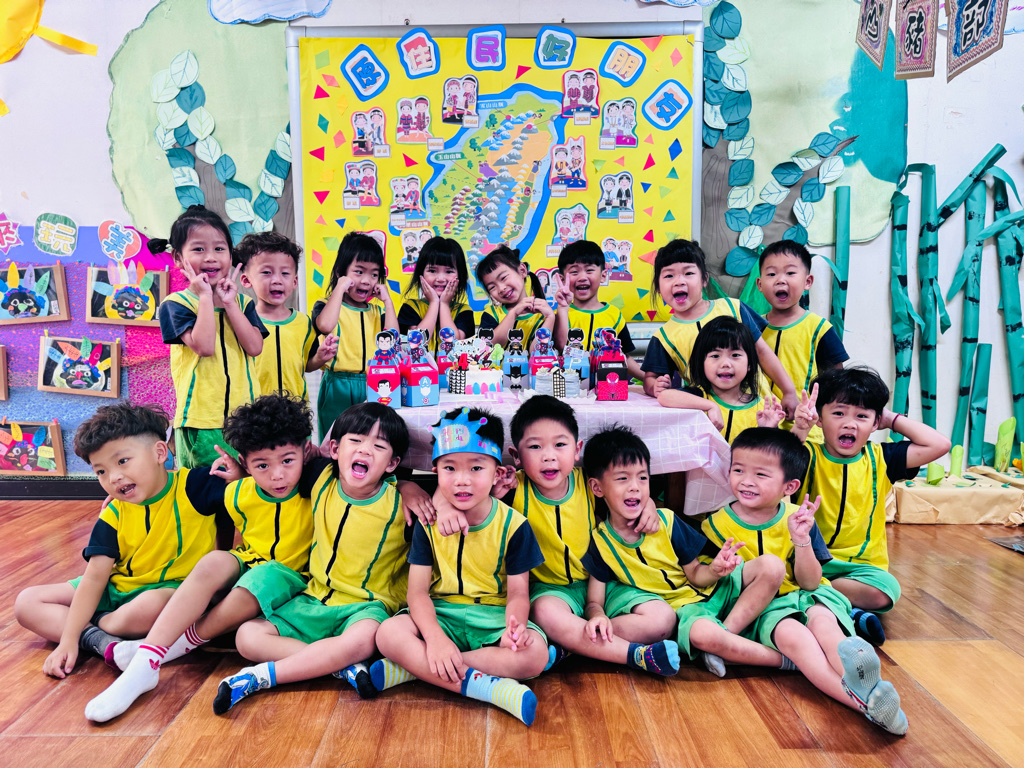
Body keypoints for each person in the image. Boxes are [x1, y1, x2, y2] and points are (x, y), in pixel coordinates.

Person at [83, 395, 316, 722]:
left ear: (306, 451)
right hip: (252, 562)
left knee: (261, 579)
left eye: (288, 461)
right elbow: (221, 516)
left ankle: (163, 653)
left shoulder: (319, 485)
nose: (277, 475)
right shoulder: (238, 491)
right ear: (246, 463)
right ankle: (147, 661)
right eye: (263, 465)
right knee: (214, 562)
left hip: (295, 576)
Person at [703, 427, 909, 735]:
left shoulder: (799, 519)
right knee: (798, 641)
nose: (746, 480)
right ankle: (868, 705)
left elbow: (811, 583)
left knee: (825, 625)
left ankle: (865, 681)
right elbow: (715, 584)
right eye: (738, 470)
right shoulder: (715, 525)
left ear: (789, 486)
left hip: (805, 595)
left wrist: (801, 540)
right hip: (765, 611)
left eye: (761, 474)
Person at [210, 403, 411, 713]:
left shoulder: (402, 504)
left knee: (364, 640)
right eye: (356, 441)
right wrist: (239, 473)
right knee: (247, 636)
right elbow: (274, 465)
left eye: (379, 446)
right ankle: (339, 665)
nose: (365, 450)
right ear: (335, 449)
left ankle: (259, 677)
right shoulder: (319, 476)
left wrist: (412, 489)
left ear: (392, 463)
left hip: (367, 607)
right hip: (313, 598)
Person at [14, 404, 233, 679]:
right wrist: (67, 641)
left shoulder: (196, 485)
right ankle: (103, 642)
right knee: (26, 602)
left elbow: (249, 497)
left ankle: (98, 626)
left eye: (122, 461)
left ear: (159, 453)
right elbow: (94, 579)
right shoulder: (113, 513)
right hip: (115, 589)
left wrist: (238, 473)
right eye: (101, 472)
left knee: (150, 607)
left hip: (170, 591)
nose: (114, 477)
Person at [369, 408, 549, 726]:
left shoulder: (515, 526)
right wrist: (436, 639)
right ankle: (488, 688)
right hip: (442, 615)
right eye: (449, 468)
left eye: (476, 468)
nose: (462, 480)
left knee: (535, 655)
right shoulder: (429, 523)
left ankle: (416, 669)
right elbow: (417, 593)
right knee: (388, 634)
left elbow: (519, 593)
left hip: (492, 618)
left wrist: (515, 628)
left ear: (497, 473)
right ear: (435, 472)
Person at [579, 425, 774, 679]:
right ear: (597, 488)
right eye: (622, 478)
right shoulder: (601, 542)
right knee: (704, 634)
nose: (635, 487)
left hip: (713, 590)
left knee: (772, 566)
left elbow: (695, 574)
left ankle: (725, 636)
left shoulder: (667, 521)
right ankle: (783, 661)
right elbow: (594, 601)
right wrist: (598, 616)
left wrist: (715, 570)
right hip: (684, 610)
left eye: (643, 478)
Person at [500, 398, 673, 673]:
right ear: (516, 455)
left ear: (577, 449)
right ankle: (635, 655)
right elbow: (474, 499)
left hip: (604, 583)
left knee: (662, 619)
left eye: (560, 444)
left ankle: (570, 645)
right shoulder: (513, 489)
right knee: (544, 613)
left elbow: (628, 491)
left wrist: (649, 504)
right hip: (552, 591)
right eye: (535, 447)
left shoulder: (589, 482)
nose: (549, 456)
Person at [792, 366, 950, 645]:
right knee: (777, 571)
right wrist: (800, 429)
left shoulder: (882, 458)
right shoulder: (807, 455)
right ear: (819, 418)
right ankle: (847, 611)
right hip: (808, 561)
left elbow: (939, 445)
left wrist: (891, 418)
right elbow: (778, 461)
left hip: (862, 569)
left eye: (862, 416)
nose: (850, 424)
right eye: (838, 413)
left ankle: (816, 598)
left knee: (885, 592)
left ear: (875, 423)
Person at [155, 205, 266, 467]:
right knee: (208, 485)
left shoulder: (243, 303)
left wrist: (230, 304)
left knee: (246, 484)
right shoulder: (176, 304)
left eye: (219, 248)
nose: (211, 258)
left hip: (246, 419)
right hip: (202, 421)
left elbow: (255, 347)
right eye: (198, 249)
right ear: (179, 258)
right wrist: (205, 297)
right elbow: (204, 346)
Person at [641, 239, 797, 419]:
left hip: (761, 413)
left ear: (704, 279)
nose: (679, 282)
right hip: (711, 418)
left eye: (688, 273)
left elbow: (762, 352)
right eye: (669, 276)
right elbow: (650, 378)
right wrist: (654, 386)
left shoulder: (733, 308)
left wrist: (788, 391)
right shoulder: (663, 337)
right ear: (658, 287)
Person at [758, 240, 849, 442]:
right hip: (763, 427)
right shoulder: (753, 328)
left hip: (807, 431)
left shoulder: (819, 328)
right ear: (760, 284)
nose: (780, 280)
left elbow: (836, 381)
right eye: (771, 274)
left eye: (790, 273)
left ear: (808, 282)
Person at [312, 232, 399, 441]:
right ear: (341, 272)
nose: (366, 281)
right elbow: (325, 325)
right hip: (338, 384)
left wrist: (388, 302)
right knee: (336, 440)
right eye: (358, 272)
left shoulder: (377, 311)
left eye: (374, 274)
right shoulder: (326, 306)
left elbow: (393, 339)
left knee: (371, 438)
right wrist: (340, 287)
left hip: (373, 383)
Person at [236, 232, 337, 402]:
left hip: (295, 410)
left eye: (285, 273)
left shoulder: (304, 323)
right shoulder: (242, 323)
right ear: (246, 280)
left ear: (295, 281)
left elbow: (305, 365)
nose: (277, 280)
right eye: (266, 272)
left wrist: (319, 358)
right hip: (253, 410)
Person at [657, 317, 786, 442]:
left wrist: (767, 430)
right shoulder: (698, 397)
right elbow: (664, 396)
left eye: (735, 355)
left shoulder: (762, 409)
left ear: (750, 364)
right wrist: (711, 406)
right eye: (715, 356)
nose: (725, 364)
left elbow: (768, 452)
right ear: (702, 363)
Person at [554, 240, 643, 380]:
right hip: (569, 387)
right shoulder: (559, 314)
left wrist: (647, 378)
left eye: (589, 270)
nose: (582, 277)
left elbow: (624, 356)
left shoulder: (614, 315)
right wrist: (563, 308)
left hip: (606, 387)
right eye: (574, 272)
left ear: (603, 275)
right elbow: (561, 345)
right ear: (562, 279)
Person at [398, 236, 475, 355]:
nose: (440, 278)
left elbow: (454, 344)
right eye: (432, 271)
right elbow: (417, 343)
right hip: (419, 367)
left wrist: (444, 304)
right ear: (421, 273)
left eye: (449, 271)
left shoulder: (464, 311)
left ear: (460, 275)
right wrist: (434, 303)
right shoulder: (411, 307)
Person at [476, 245, 554, 351]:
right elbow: (487, 348)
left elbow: (538, 352)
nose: (501, 288)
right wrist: (513, 313)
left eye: (503, 278)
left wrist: (550, 318)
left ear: (522, 270)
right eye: (492, 287)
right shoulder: (491, 314)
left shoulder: (542, 315)